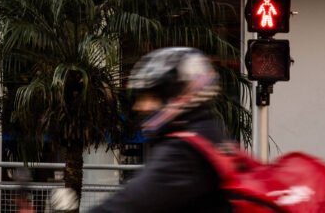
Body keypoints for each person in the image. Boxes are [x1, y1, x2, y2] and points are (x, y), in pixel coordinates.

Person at [90, 47, 232, 213]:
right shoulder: (209, 133)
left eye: (150, 97)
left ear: (178, 95)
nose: (140, 107)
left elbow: (129, 203)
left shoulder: (184, 152)